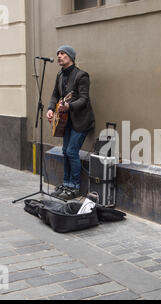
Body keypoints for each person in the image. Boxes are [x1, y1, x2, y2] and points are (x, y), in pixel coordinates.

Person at [47, 45, 95, 200]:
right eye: (58, 53)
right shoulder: (60, 75)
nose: (59, 56)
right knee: (65, 151)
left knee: (71, 152)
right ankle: (66, 183)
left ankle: (74, 186)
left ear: (71, 57)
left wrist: (69, 106)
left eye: (62, 53)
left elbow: (84, 99)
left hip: (81, 121)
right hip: (64, 120)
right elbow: (55, 95)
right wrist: (50, 109)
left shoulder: (82, 76)